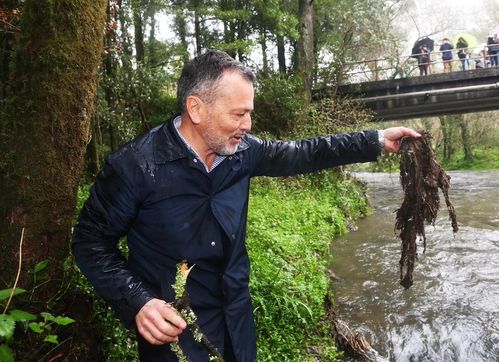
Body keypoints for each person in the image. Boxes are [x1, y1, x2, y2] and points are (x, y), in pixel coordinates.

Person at [71, 49, 421, 362]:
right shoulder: (134, 166)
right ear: (196, 108)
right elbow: (90, 243)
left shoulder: (243, 152)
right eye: (238, 114)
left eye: (249, 113)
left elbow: (303, 153)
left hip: (237, 316)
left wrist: (374, 140)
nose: (247, 125)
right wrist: (138, 302)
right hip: (174, 330)